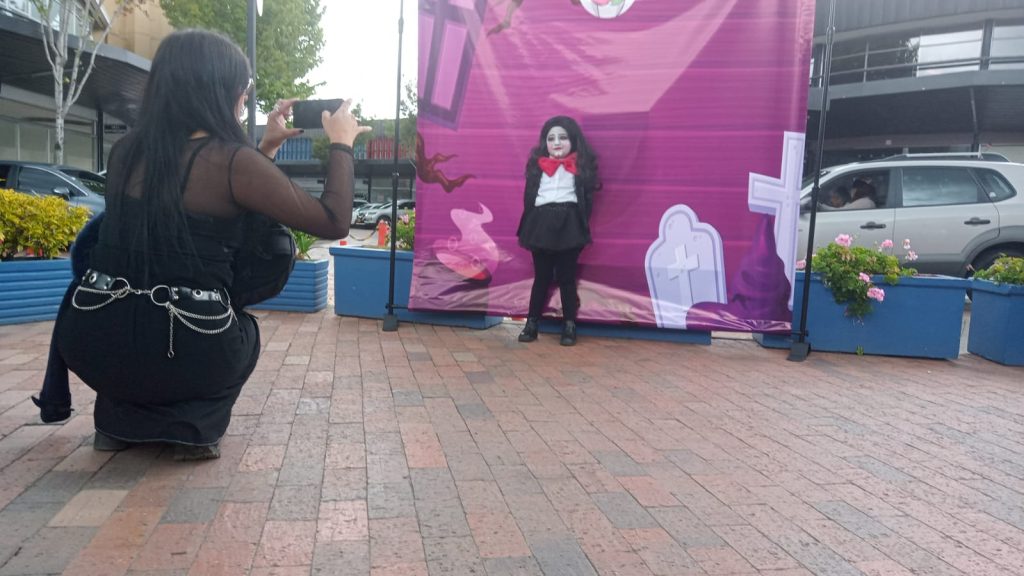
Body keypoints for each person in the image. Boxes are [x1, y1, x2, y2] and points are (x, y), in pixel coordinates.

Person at [42, 29, 370, 460]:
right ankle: (191, 428)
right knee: (243, 333)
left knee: (138, 324)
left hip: (92, 337)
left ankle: (119, 424)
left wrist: (263, 150)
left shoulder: (125, 153)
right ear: (224, 91)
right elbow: (333, 220)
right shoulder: (233, 161)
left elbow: (184, 210)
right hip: (192, 342)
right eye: (244, 88)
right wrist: (342, 145)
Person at [516, 116, 601, 346]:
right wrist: (531, 223)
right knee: (541, 277)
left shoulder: (579, 169)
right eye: (551, 138)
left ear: (573, 141)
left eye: (563, 137)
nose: (556, 142)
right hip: (541, 223)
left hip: (569, 224)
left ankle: (569, 325)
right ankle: (531, 323)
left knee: (566, 278)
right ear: (544, 142)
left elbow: (588, 201)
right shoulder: (537, 167)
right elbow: (529, 198)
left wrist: (580, 223)